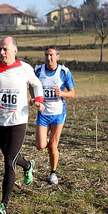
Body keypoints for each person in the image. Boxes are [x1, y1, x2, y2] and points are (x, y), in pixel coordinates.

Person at [0, 36, 45, 214]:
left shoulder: (25, 68)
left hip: (18, 121)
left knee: (8, 162)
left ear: (15, 50)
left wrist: (38, 100)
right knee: (11, 157)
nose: (2, 52)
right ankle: (28, 165)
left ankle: (3, 204)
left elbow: (37, 84)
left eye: (5, 49)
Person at [30, 45, 75, 185]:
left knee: (53, 145)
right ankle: (47, 141)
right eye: (46, 55)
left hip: (58, 114)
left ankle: (53, 173)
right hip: (43, 113)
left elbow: (72, 93)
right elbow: (31, 85)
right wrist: (35, 98)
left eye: (51, 55)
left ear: (57, 56)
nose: (49, 58)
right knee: (40, 146)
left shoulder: (64, 71)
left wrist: (62, 93)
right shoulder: (38, 70)